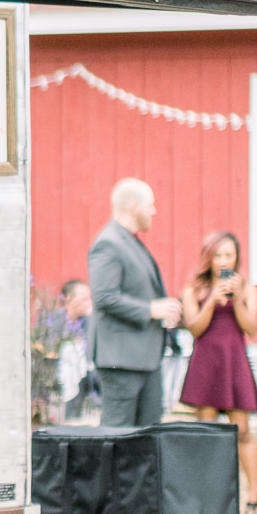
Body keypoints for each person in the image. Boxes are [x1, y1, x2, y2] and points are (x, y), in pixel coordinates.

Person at [87, 178, 182, 427]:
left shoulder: (129, 241)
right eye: (150, 205)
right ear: (134, 206)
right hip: (121, 361)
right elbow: (104, 297)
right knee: (117, 438)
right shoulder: (108, 242)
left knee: (146, 438)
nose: (154, 211)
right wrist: (152, 309)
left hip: (144, 358)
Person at [180, 230, 257, 514]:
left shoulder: (247, 288)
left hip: (234, 360)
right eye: (218, 255)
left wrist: (237, 299)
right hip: (206, 362)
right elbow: (194, 328)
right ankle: (210, 497)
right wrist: (212, 300)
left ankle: (253, 497)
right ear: (208, 257)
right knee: (208, 432)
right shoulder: (193, 289)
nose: (223, 260)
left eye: (229, 254)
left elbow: (251, 329)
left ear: (236, 256)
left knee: (242, 431)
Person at [57, 278, 98, 421]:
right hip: (68, 374)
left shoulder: (91, 320)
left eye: (89, 298)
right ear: (68, 300)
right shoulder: (56, 320)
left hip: (91, 370)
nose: (89, 303)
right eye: (84, 299)